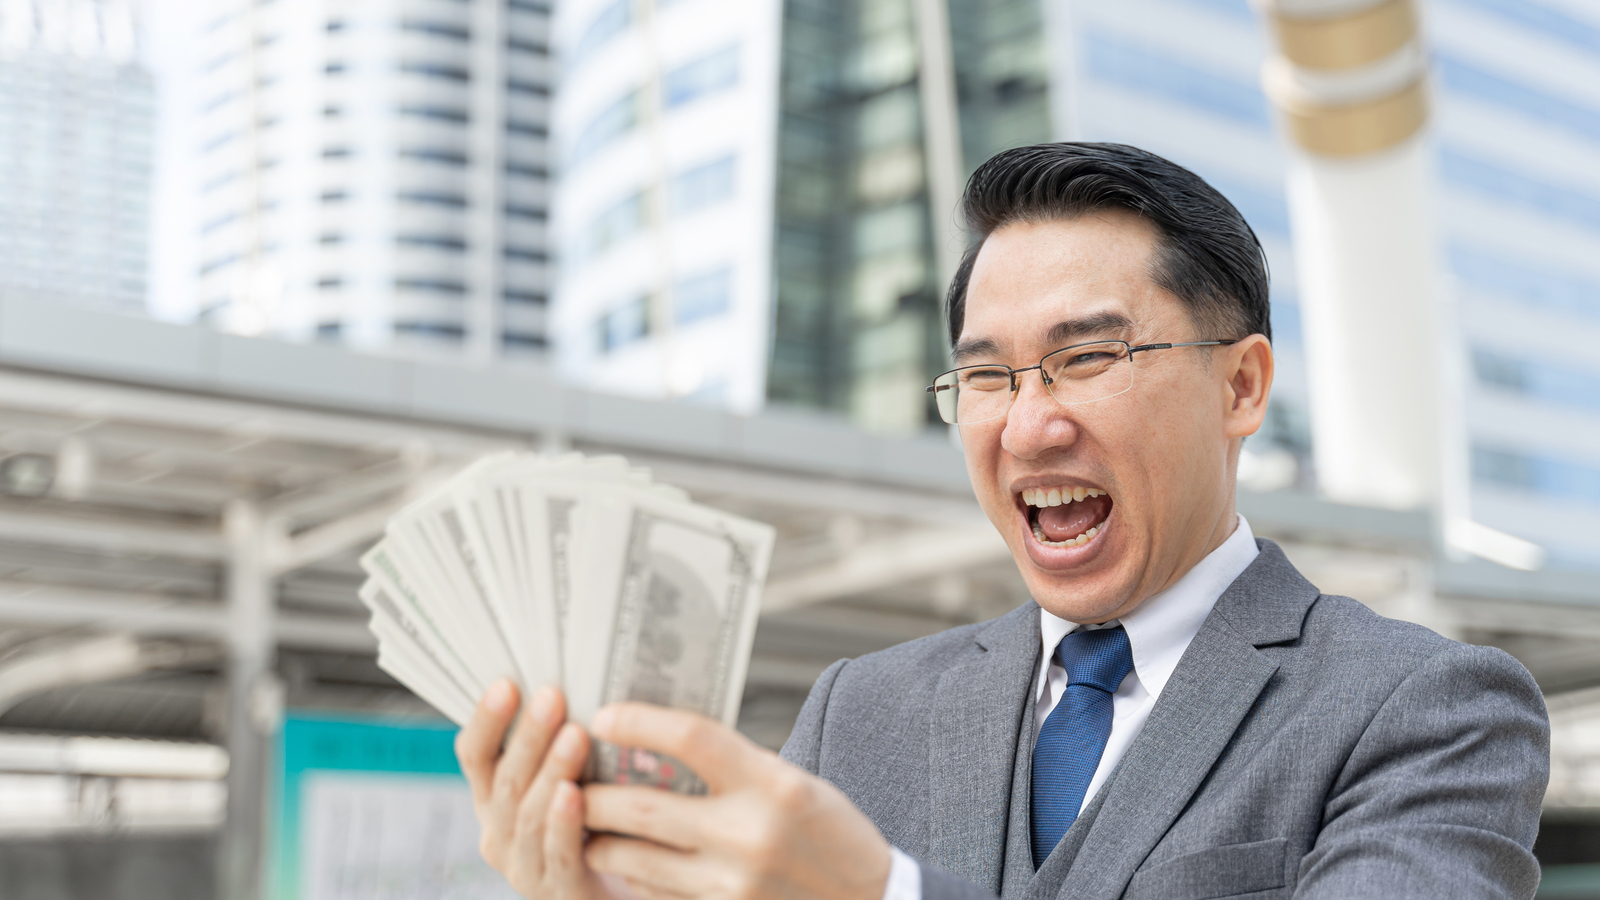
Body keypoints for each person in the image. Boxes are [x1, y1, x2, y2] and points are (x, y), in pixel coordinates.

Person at [453, 143, 1550, 900]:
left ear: (1241, 386)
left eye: (1085, 358)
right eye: (985, 377)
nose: (1027, 427)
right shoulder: (859, 713)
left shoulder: (1427, 710)